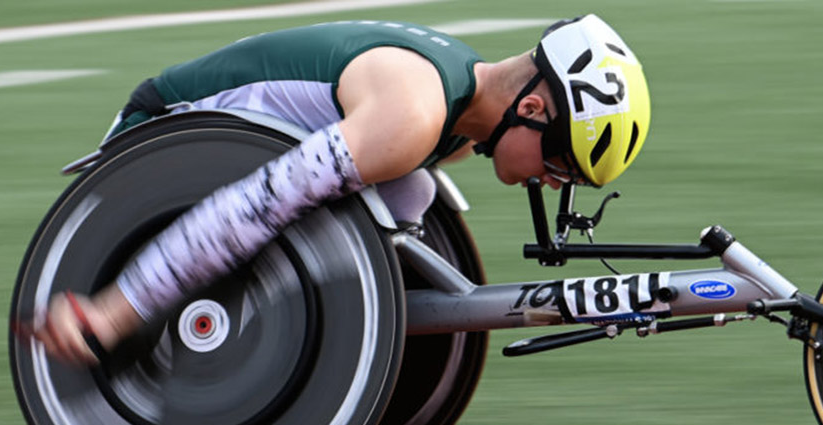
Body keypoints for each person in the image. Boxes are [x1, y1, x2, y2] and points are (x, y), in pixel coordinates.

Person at [34, 14, 651, 366]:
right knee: (395, 180)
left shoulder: (457, 120)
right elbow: (253, 206)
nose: (554, 182)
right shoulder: (411, 114)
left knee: (410, 191)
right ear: (535, 106)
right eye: (563, 164)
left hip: (222, 162)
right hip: (159, 143)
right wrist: (115, 311)